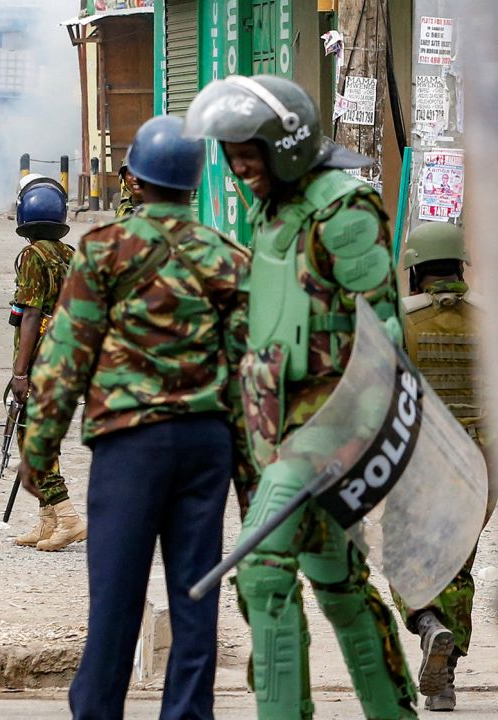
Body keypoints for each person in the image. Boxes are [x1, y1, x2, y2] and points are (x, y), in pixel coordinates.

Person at [185, 74, 417, 719]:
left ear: (284, 143)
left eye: (248, 150)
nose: (238, 165)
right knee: (337, 582)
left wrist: (346, 443)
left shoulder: (343, 208)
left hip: (328, 435)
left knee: (260, 572)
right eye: (230, 153)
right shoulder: (274, 207)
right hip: (275, 435)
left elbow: (385, 343)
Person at [18, 114, 249, 719]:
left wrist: (38, 451)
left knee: (115, 601)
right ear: (195, 180)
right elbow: (256, 371)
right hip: (206, 446)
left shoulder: (102, 252)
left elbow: (64, 358)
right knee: (196, 600)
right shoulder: (228, 257)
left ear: (133, 180)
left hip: (130, 446)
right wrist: (253, 478)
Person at [395, 221, 485, 712]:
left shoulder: (401, 318)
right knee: (458, 569)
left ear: (416, 272)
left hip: (421, 464)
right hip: (479, 467)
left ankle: (429, 625)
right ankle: (445, 680)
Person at [8, 175, 87, 552]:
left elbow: (28, 314)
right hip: (63, 352)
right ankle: (47, 520)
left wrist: (20, 372)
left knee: (32, 437)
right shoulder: (67, 253)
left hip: (38, 357)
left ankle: (67, 516)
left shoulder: (31, 257)